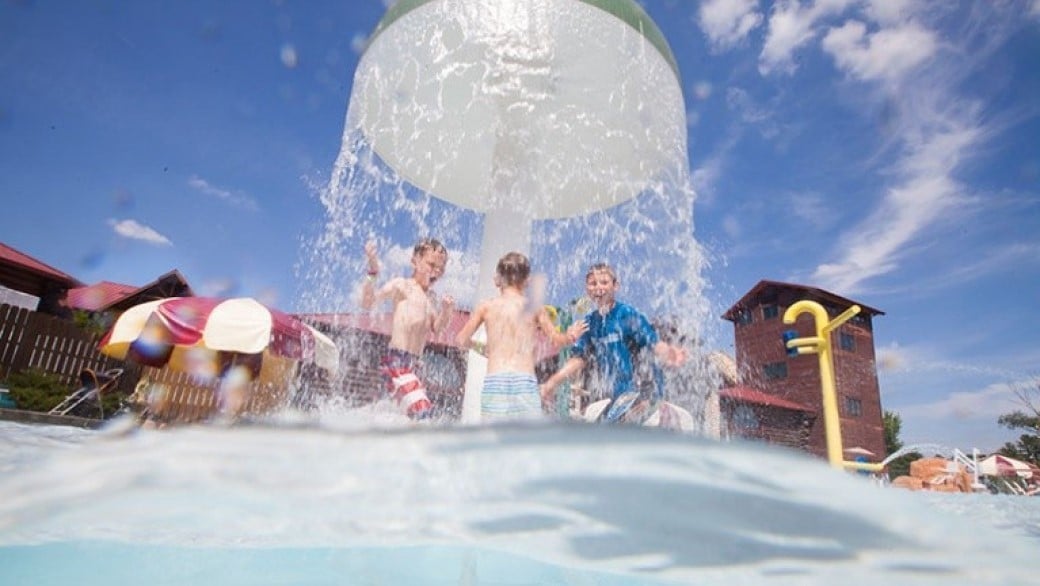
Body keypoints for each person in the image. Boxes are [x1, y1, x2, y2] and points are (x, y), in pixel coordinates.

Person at [539, 262, 686, 423]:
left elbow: (653, 342)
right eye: (593, 283)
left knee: (619, 430)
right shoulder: (589, 323)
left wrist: (668, 352)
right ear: (587, 289)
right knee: (600, 434)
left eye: (604, 282)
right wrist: (551, 383)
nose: (598, 287)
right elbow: (578, 359)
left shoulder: (627, 315)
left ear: (616, 286)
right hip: (618, 398)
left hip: (643, 393)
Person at [455, 252, 587, 421]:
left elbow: (460, 340)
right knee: (525, 441)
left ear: (497, 279)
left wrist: (481, 348)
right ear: (527, 281)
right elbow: (556, 340)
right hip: (524, 381)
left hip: (496, 381)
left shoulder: (486, 307)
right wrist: (570, 336)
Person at [362, 238, 455, 419]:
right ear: (415, 261)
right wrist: (372, 271)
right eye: (431, 264)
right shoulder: (402, 285)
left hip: (415, 366)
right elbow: (368, 302)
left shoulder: (432, 298)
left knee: (404, 419)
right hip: (396, 362)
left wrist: (446, 312)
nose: (436, 271)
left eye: (440, 268)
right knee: (423, 413)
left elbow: (438, 328)